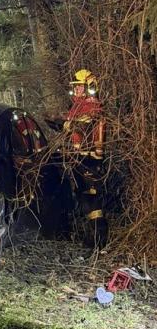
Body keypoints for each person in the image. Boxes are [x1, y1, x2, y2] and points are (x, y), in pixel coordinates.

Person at [63, 68, 108, 248]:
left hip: (90, 159)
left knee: (92, 199)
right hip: (79, 159)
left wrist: (67, 123)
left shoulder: (93, 105)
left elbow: (84, 125)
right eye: (76, 87)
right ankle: (90, 238)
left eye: (80, 87)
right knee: (83, 197)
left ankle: (99, 240)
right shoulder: (78, 106)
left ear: (89, 86)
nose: (77, 90)